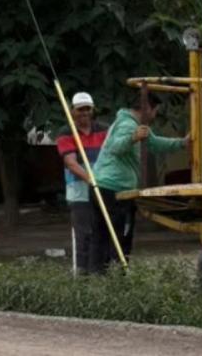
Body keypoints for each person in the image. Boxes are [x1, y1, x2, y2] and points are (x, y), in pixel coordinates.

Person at [89, 92, 188, 273]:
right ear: (147, 108)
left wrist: (181, 143)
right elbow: (115, 147)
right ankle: (116, 277)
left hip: (102, 186)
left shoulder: (133, 125)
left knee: (100, 235)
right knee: (120, 237)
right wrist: (132, 138)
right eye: (155, 110)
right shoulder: (128, 125)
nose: (155, 115)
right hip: (115, 190)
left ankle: (98, 276)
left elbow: (155, 144)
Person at [54, 92, 108, 275]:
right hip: (79, 192)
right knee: (83, 235)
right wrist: (90, 179)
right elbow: (71, 162)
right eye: (80, 109)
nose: (84, 113)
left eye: (87, 109)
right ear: (73, 111)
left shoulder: (104, 130)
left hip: (103, 188)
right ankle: (81, 274)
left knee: (100, 233)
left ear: (92, 110)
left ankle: (98, 272)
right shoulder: (66, 132)